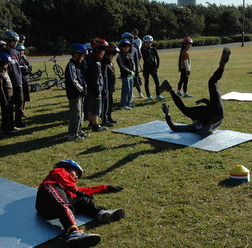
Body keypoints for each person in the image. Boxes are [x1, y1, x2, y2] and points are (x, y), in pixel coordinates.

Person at [36, 160, 125, 248]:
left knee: (83, 200)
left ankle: (102, 213)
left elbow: (85, 191)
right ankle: (73, 233)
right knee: (63, 204)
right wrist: (76, 190)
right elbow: (60, 177)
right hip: (46, 201)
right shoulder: (58, 172)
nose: (77, 178)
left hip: (54, 211)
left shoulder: (69, 189)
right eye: (76, 173)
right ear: (67, 168)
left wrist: (106, 188)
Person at [159, 47, 231, 135]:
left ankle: (221, 66)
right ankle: (221, 66)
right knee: (212, 82)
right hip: (215, 114)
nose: (193, 120)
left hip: (218, 115)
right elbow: (174, 127)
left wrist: (167, 114)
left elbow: (174, 127)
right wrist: (205, 101)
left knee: (212, 83)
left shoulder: (194, 128)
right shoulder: (196, 126)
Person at [65, 43, 89, 141]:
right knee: (76, 114)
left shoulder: (77, 65)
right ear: (76, 55)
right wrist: (81, 89)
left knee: (81, 113)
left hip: (80, 94)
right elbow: (73, 80)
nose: (83, 58)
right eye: (82, 56)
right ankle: (72, 134)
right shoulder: (71, 66)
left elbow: (81, 79)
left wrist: (85, 87)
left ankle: (78, 130)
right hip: (74, 94)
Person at [84, 38, 109, 132]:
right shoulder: (94, 62)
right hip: (94, 89)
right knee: (95, 108)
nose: (104, 53)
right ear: (98, 51)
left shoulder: (89, 59)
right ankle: (95, 125)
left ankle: (91, 123)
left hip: (90, 88)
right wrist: (99, 91)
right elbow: (96, 78)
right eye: (103, 51)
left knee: (91, 106)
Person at [3, 30, 26, 128]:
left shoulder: (17, 53)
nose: (15, 43)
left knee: (19, 103)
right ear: (7, 41)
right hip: (8, 84)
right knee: (9, 106)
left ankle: (18, 122)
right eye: (13, 41)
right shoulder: (3, 53)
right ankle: (9, 125)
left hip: (18, 81)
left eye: (16, 41)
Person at [101, 43, 120, 126]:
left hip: (110, 87)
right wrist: (104, 88)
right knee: (106, 104)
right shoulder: (104, 64)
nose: (113, 57)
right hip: (106, 88)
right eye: (112, 55)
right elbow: (104, 77)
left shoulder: (110, 63)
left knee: (110, 103)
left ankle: (109, 116)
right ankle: (104, 119)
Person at [141, 35, 164, 101]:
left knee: (157, 82)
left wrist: (157, 66)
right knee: (146, 82)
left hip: (153, 68)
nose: (148, 44)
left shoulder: (153, 49)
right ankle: (149, 96)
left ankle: (158, 95)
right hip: (146, 68)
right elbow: (144, 58)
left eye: (150, 42)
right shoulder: (142, 50)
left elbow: (157, 58)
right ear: (144, 43)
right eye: (147, 42)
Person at [122, 32, 144, 99]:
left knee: (136, 80)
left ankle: (140, 93)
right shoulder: (123, 49)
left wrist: (136, 70)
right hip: (126, 68)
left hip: (133, 67)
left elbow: (136, 60)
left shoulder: (134, 49)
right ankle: (130, 94)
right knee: (127, 82)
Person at [117, 39, 135, 110]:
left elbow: (132, 62)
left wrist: (133, 69)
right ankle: (123, 104)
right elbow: (122, 65)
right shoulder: (120, 56)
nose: (126, 48)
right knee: (126, 89)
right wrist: (128, 71)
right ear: (121, 48)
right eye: (124, 47)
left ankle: (129, 103)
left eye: (127, 47)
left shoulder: (128, 54)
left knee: (130, 89)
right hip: (125, 75)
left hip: (131, 75)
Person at [15, 43, 32, 117]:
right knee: (19, 97)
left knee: (25, 96)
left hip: (25, 79)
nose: (21, 52)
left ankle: (23, 110)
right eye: (19, 51)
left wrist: (27, 69)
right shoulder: (16, 60)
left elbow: (29, 68)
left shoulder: (24, 59)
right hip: (19, 80)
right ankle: (18, 111)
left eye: (22, 51)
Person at [0, 52, 14, 138]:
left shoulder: (4, 70)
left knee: (8, 113)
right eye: (5, 63)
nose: (7, 65)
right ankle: (4, 131)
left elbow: (10, 70)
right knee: (5, 114)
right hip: (3, 96)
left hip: (8, 94)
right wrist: (4, 100)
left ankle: (7, 129)